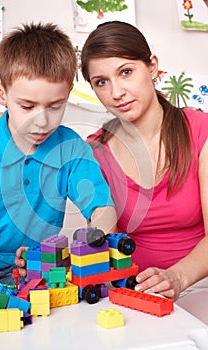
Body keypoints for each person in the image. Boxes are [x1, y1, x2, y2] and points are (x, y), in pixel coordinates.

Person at [0, 22, 117, 287]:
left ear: (68, 94)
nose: (41, 122)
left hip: (33, 266)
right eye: (27, 106)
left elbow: (102, 210)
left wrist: (85, 244)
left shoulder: (71, 148)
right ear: (1, 93)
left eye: (55, 106)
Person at [81, 21, 208, 303]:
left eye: (126, 72)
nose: (116, 93)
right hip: (134, 293)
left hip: (200, 287)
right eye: (101, 82)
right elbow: (101, 241)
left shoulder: (201, 131)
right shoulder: (94, 152)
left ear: (152, 66)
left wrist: (176, 277)